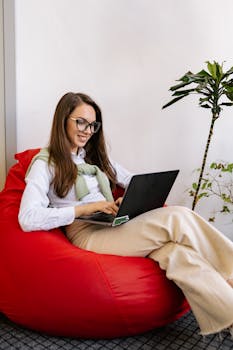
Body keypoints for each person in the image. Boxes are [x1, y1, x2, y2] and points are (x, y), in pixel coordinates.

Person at [18, 92, 233, 338]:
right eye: (81, 122)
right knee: (178, 216)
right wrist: (84, 208)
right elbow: (28, 217)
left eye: (93, 125)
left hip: (114, 224)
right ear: (63, 120)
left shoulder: (95, 158)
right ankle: (230, 272)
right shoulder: (45, 163)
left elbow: (132, 180)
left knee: (176, 253)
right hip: (87, 233)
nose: (88, 130)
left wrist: (126, 200)